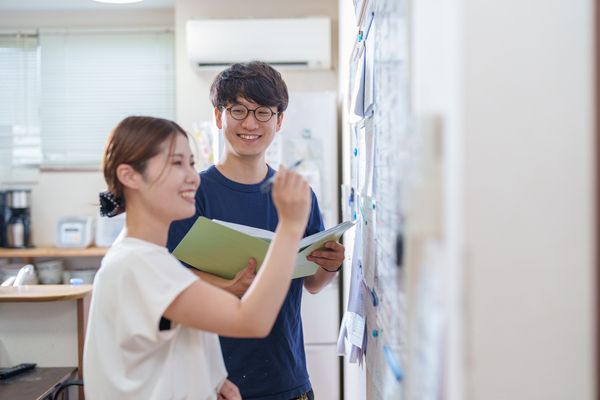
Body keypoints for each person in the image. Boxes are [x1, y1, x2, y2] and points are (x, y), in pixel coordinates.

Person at [83, 115, 312, 400]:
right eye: (176, 163)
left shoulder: (149, 256)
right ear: (130, 176)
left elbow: (170, 339)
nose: (192, 176)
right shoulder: (138, 264)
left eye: (191, 163)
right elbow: (252, 321)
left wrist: (214, 380)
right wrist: (290, 227)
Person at [168, 61, 345, 400]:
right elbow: (170, 280)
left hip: (288, 378)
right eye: (238, 110)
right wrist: (228, 286)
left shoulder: (297, 193)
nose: (250, 123)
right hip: (216, 382)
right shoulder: (194, 192)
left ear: (279, 121)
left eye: (263, 112)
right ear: (219, 117)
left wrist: (330, 265)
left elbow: (313, 284)